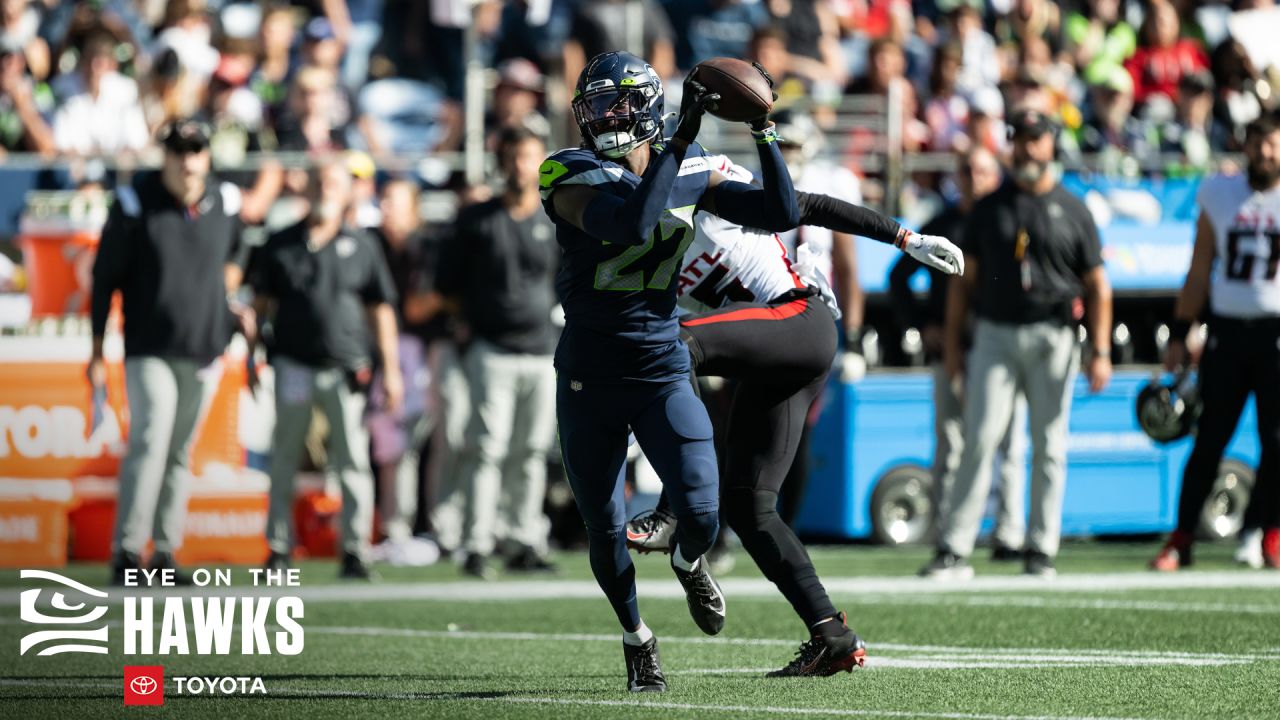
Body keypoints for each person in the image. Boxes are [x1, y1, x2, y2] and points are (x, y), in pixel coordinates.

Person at [625, 154, 962, 675]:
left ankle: (674, 514)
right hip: (768, 358)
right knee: (749, 506)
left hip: (799, 319)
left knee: (675, 346)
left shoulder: (696, 179)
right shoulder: (626, 225)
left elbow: (807, 206)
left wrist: (905, 239)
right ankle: (832, 635)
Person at [539, 51, 798, 692]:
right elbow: (632, 224)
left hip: (659, 364)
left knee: (704, 514)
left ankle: (687, 562)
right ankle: (637, 637)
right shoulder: (567, 172)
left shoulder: (689, 170)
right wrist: (680, 140)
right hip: (589, 376)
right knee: (603, 523)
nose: (604, 116)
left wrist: (764, 131)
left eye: (617, 102)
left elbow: (782, 211)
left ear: (648, 106)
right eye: (595, 105)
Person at [922, 108, 1113, 580]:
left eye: (1036, 138)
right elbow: (961, 285)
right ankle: (955, 546)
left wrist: (1102, 350)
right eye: (1020, 139)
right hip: (995, 334)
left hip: (1054, 336)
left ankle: (1041, 547)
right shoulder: (989, 207)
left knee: (1050, 444)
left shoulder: (1074, 208)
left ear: (1051, 144)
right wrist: (953, 346)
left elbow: (1098, 285)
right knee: (979, 438)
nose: (1027, 148)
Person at [90, 118, 251, 585]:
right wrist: (97, 349)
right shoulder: (135, 203)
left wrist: (233, 283)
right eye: (178, 150)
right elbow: (104, 279)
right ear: (165, 156)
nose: (187, 160)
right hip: (149, 346)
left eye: (196, 149)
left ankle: (163, 550)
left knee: (181, 451)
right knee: (150, 438)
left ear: (207, 155)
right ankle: (126, 549)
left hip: (204, 348)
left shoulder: (224, 202)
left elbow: (241, 251)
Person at [251, 159, 403, 581]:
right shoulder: (280, 243)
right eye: (319, 182)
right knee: (284, 457)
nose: (325, 190)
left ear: (347, 191)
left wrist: (390, 369)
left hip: (346, 367)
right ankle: (278, 547)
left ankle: (354, 550)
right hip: (293, 364)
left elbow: (381, 309)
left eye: (333, 182)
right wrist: (250, 356)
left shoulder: (363, 244)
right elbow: (259, 306)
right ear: (308, 188)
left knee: (353, 460)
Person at [1151, 114, 1280, 572]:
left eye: (1273, 145)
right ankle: (1182, 537)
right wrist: (1183, 328)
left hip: (1276, 334)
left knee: (1277, 441)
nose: (1265, 154)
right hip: (1227, 330)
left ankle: (1268, 532)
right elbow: (1200, 263)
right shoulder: (1221, 193)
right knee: (1209, 440)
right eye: (1259, 144)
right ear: (1245, 146)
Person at [889, 148, 1029, 561]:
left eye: (982, 170)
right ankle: (949, 530)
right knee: (951, 442)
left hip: (1000, 344)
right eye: (967, 171)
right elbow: (898, 275)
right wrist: (921, 324)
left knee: (1008, 443)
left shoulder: (1008, 217)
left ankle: (1009, 533)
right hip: (954, 345)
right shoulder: (945, 222)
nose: (974, 178)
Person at [436, 127, 559, 579]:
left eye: (528, 156)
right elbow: (445, 285)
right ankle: (477, 542)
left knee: (530, 451)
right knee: (486, 448)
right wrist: (470, 323)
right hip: (491, 350)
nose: (520, 166)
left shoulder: (554, 219)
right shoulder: (477, 219)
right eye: (514, 157)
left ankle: (523, 538)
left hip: (541, 348)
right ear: (502, 161)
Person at [367, 177, 446, 566]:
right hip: (386, 353)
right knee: (391, 447)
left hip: (422, 352)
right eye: (383, 200)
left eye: (393, 201)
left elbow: (420, 306)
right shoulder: (372, 243)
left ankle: (431, 528)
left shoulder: (428, 246)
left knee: (426, 443)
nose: (385, 208)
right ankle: (395, 528)